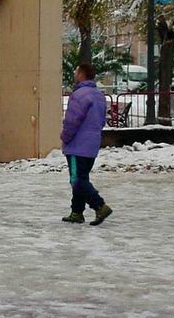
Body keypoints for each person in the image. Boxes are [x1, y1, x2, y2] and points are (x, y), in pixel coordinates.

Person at [60, 63, 112, 226]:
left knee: (76, 180)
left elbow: (72, 121)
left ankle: (99, 205)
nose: (74, 75)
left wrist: (65, 137)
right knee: (82, 178)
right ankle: (77, 212)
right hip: (92, 144)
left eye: (76, 72)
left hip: (77, 145)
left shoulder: (79, 95)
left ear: (81, 74)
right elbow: (102, 120)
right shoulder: (99, 95)